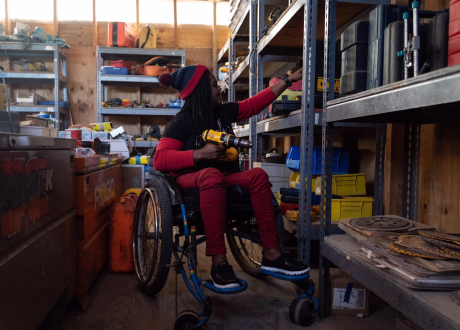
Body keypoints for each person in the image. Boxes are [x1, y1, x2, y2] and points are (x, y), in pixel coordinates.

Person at [154, 64, 309, 289]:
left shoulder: (223, 112)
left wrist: (289, 79)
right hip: (191, 183)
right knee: (211, 175)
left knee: (256, 175)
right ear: (201, 92)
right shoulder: (181, 122)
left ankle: (272, 255)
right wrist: (198, 154)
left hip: (221, 179)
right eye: (215, 85)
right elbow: (160, 159)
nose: (220, 90)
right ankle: (219, 264)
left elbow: (256, 103)